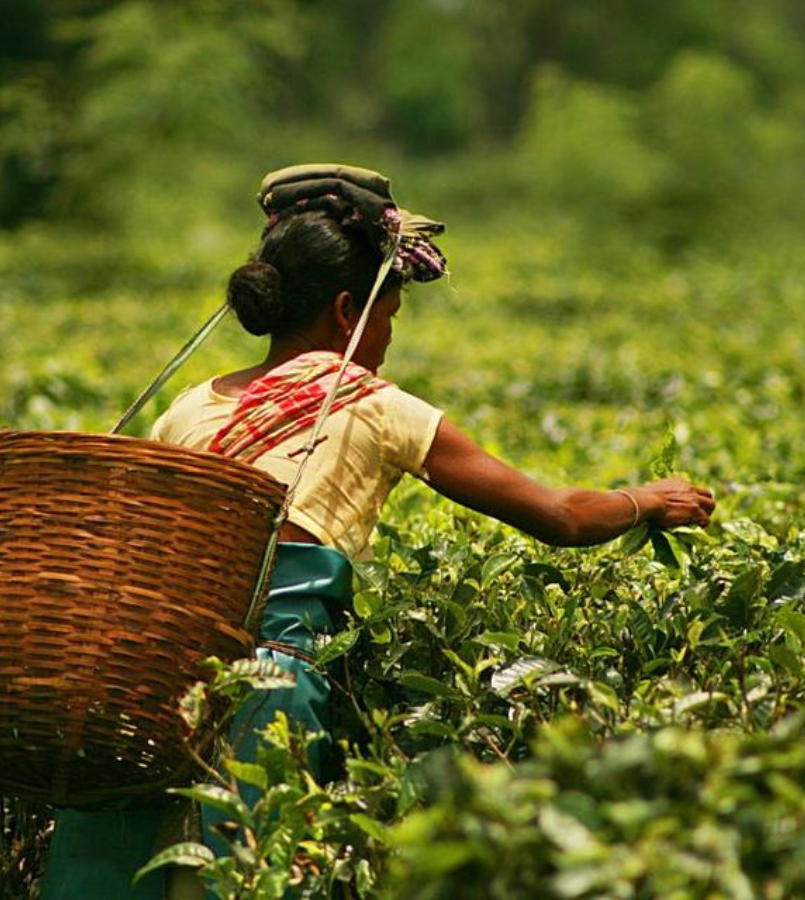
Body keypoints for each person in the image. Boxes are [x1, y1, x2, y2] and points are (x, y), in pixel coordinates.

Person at [40, 163, 716, 898]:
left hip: (146, 684)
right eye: (388, 315)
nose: (387, 337)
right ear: (344, 310)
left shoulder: (191, 406)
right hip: (267, 683)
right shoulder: (373, 404)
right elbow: (558, 517)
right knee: (250, 876)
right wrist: (645, 500)